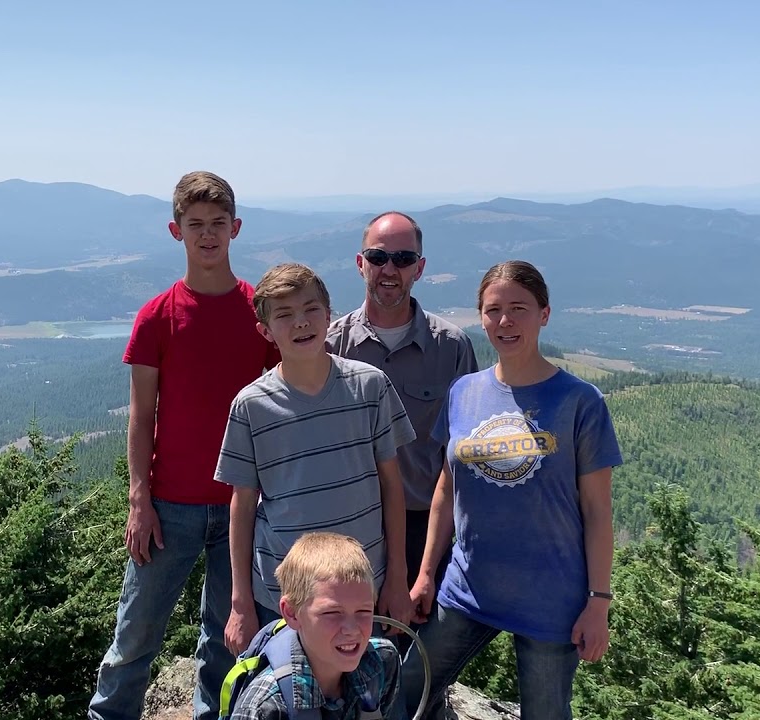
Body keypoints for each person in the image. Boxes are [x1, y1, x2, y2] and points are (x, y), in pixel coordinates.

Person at [89, 171, 279, 720]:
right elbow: (141, 417)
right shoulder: (156, 316)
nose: (207, 235)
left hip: (243, 504)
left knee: (227, 641)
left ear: (236, 228)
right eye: (195, 225)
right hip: (169, 505)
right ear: (176, 231)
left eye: (218, 224)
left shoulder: (259, 313)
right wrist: (138, 501)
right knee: (135, 635)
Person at [397, 260, 623, 720]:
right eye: (493, 309)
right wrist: (424, 575)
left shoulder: (580, 402)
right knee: (407, 693)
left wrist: (598, 603)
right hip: (469, 587)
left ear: (544, 314)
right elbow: (446, 487)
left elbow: (598, 512)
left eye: (519, 308)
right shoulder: (464, 391)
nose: (505, 321)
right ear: (480, 317)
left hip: (550, 598)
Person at [214, 262, 417, 658]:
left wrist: (398, 576)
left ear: (329, 316)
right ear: (265, 331)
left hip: (362, 591)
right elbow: (242, 505)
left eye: (310, 310)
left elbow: (393, 486)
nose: (300, 323)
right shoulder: (250, 406)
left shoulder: (370, 385)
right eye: (284, 315)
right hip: (283, 597)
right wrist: (240, 602)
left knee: (366, 697)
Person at [326, 211, 478, 604]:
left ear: (420, 268)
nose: (389, 269)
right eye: (378, 258)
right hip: (347, 527)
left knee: (413, 654)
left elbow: (461, 455)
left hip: (422, 529)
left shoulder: (452, 348)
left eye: (403, 259)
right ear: (360, 264)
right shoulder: (330, 347)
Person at [224, 532, 401, 720]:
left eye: (364, 611)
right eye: (332, 613)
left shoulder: (380, 662)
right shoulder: (263, 707)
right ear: (292, 613)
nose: (352, 629)